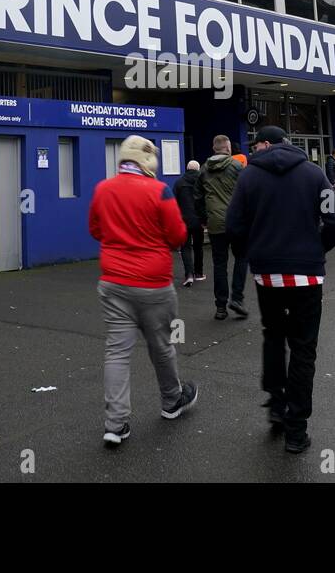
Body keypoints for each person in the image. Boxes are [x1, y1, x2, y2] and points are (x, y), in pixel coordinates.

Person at [225, 126, 335, 454]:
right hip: (307, 276)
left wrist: (250, 254)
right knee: (303, 348)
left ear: (265, 144)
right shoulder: (313, 174)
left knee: (273, 336)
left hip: (268, 275)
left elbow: (234, 225)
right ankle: (297, 430)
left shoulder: (249, 176)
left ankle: (277, 405)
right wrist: (317, 249)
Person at [89, 135, 198, 446]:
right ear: (148, 160)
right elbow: (177, 236)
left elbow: (95, 229)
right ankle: (171, 400)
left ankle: (116, 424)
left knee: (117, 351)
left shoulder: (103, 189)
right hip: (153, 284)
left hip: (113, 282)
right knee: (161, 346)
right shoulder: (159, 190)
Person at [197, 135, 248, 320]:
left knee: (220, 264)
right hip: (236, 222)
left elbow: (197, 198)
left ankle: (220, 307)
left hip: (215, 224)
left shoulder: (203, 170)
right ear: (228, 148)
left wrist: (205, 218)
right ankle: (237, 298)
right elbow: (246, 193)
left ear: (214, 148)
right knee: (242, 258)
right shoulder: (237, 167)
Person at [171, 160, 205, 288]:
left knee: (185, 247)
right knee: (198, 247)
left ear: (187, 168)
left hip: (184, 220)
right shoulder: (202, 182)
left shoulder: (179, 182)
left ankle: (189, 274)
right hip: (198, 220)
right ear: (198, 169)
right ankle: (199, 273)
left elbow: (173, 201)